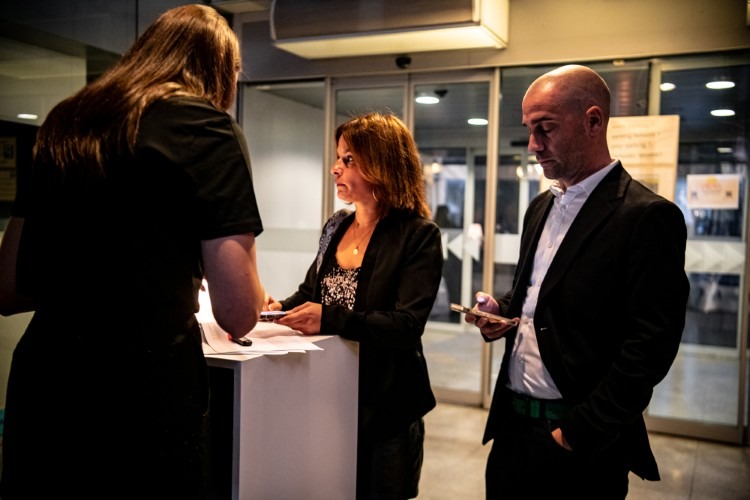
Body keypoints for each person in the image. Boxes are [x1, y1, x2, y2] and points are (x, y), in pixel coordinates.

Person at [0, 5, 265, 499]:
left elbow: (8, 287)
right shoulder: (207, 128)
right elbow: (238, 311)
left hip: (47, 385)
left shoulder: (66, 122)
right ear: (220, 70)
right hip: (144, 392)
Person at [464, 65, 689, 499]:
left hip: (581, 444)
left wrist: (575, 433)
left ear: (593, 121)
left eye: (545, 128)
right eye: (529, 129)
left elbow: (650, 346)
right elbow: (534, 297)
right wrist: (501, 312)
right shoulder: (540, 207)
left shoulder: (646, 216)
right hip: (512, 429)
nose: (533, 144)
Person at [265, 112, 443, 499]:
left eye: (349, 159)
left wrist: (330, 319)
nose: (335, 168)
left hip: (387, 406)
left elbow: (406, 325)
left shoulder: (418, 235)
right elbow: (311, 293)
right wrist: (277, 308)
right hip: (329, 396)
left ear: (383, 164)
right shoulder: (336, 226)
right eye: (338, 158)